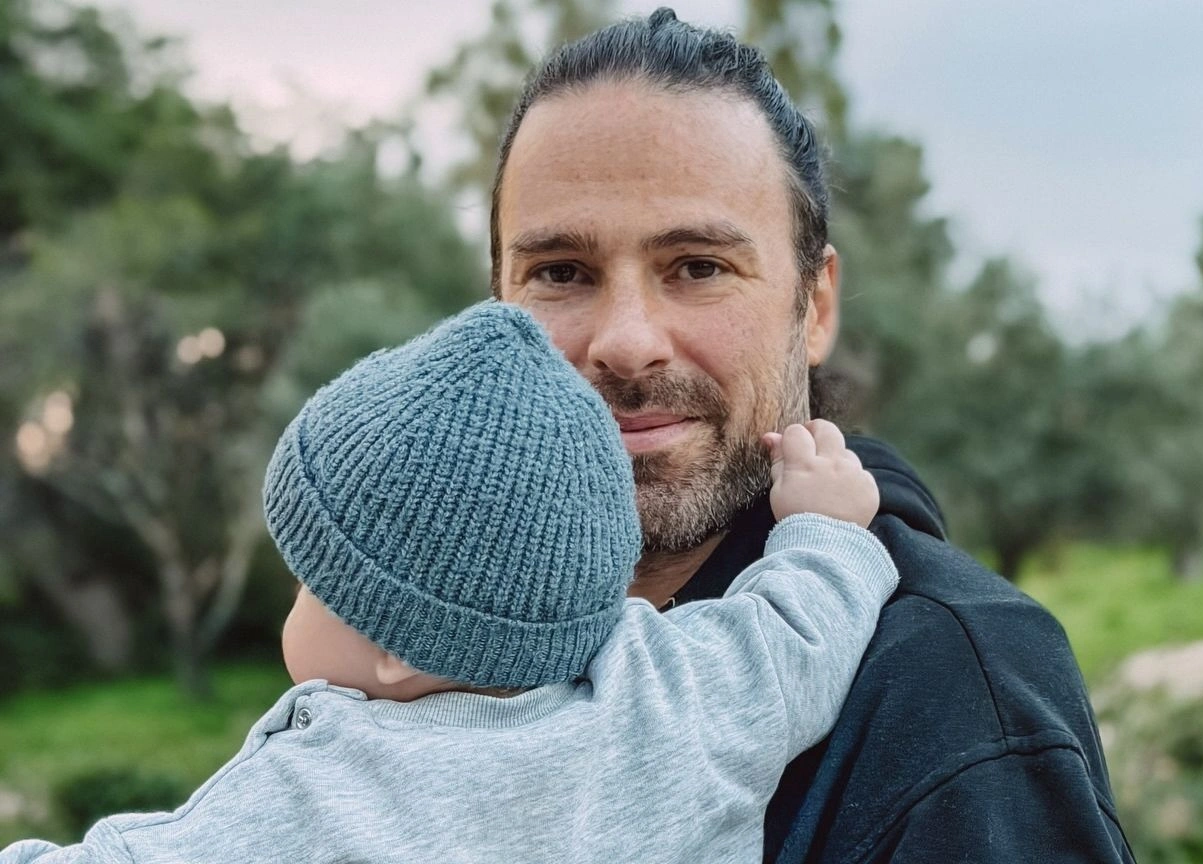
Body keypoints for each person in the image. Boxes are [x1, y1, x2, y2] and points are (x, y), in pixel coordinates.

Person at [491, 9, 1135, 862]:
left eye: (699, 266)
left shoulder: (956, 700)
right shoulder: (418, 647)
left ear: (815, 307)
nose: (626, 341)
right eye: (560, 273)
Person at [0, 302, 898, 863]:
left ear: (399, 646)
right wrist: (824, 527)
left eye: (311, 584)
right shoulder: (669, 696)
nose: (294, 600)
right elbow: (798, 635)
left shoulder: (328, 795)